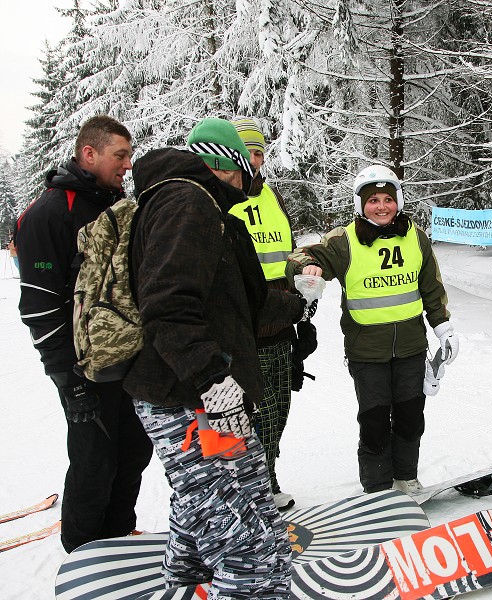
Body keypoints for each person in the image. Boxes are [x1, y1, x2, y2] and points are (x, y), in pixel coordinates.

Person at [124, 118, 296, 597]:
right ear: (228, 165)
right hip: (188, 397)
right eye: (247, 165)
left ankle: (188, 575)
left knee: (249, 499)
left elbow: (238, 300)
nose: (252, 177)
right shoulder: (188, 203)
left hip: (206, 393)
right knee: (248, 545)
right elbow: (167, 305)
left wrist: (296, 301)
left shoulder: (213, 212)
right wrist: (211, 381)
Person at [15, 115, 152, 553]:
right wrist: (66, 377)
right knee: (95, 462)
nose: (128, 165)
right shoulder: (49, 214)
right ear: (88, 154)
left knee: (133, 452)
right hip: (82, 369)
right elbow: (39, 306)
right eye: (120, 155)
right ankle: (82, 551)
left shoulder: (117, 207)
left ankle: (117, 541)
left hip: (127, 358)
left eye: (130, 156)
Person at [285, 165, 457, 494]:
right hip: (367, 353)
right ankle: (377, 490)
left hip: (411, 348)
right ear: (360, 204)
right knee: (375, 422)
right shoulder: (344, 240)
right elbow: (299, 254)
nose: (381, 206)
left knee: (410, 417)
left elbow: (431, 289)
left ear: (398, 201)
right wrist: (306, 266)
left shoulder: (416, 238)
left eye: (388, 199)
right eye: (373, 200)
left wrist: (443, 328)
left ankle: (406, 477)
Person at [229, 117, 315, 511]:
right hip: (242, 330)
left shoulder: (274, 198)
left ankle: (267, 477)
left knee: (278, 409)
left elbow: (290, 253)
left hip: (280, 324)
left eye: (259, 152)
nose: (254, 160)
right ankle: (246, 490)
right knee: (243, 415)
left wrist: (305, 300)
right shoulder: (224, 197)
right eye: (246, 152)